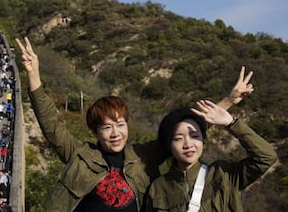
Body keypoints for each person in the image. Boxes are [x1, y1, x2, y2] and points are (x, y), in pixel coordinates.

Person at [15, 37, 253, 212]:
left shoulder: (142, 156)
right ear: (96, 131)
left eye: (120, 124)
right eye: (106, 127)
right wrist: (34, 75)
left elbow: (186, 130)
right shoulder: (80, 155)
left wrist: (229, 101)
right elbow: (51, 126)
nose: (115, 133)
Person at [145, 96, 277, 211]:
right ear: (169, 145)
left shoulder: (223, 174)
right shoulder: (158, 188)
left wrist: (231, 123)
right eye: (178, 138)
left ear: (203, 140)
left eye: (195, 136)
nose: (188, 144)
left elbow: (265, 157)